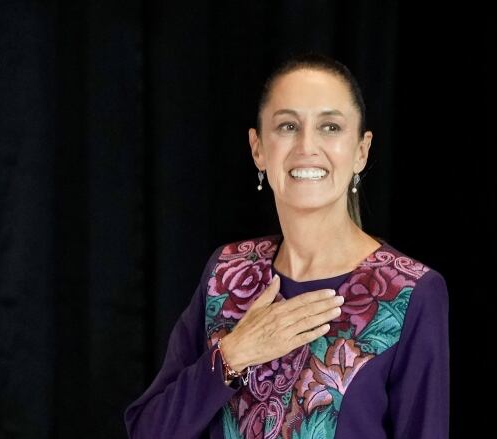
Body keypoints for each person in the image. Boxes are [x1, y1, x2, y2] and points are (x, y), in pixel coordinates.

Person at [124, 53, 449, 438]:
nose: (307, 146)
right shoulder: (227, 273)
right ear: (258, 148)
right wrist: (234, 354)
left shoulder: (410, 292)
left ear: (361, 151)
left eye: (330, 126)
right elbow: (147, 430)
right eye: (288, 125)